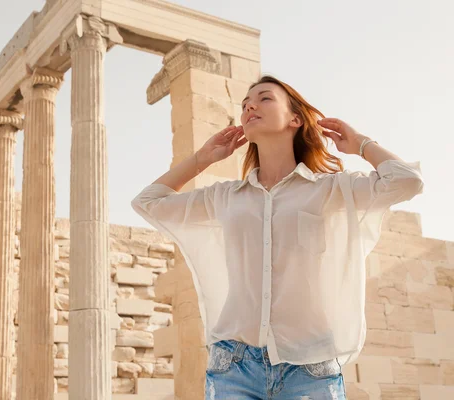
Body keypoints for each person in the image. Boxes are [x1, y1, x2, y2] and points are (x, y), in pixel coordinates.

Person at [131, 75, 424, 399]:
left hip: (310, 370)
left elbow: (407, 180)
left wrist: (360, 144)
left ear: (295, 119)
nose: (250, 106)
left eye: (264, 98)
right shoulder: (226, 197)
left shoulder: (330, 190)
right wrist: (201, 159)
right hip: (233, 367)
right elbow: (147, 203)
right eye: (245, 105)